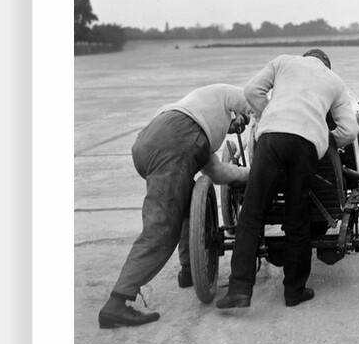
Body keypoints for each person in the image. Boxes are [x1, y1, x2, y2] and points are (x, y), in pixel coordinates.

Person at [98, 84, 253, 329]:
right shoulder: (223, 95)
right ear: (234, 111)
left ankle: (189, 271)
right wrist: (251, 116)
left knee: (187, 200)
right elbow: (253, 99)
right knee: (161, 228)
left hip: (151, 140)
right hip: (176, 140)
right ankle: (116, 302)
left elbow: (218, 173)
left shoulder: (201, 120)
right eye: (237, 121)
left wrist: (250, 173)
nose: (237, 126)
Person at [216, 50, 358, 310]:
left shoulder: (283, 62)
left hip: (271, 139)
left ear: (303, 57)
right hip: (305, 147)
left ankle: (239, 289)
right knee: (297, 216)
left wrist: (270, 113)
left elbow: (251, 91)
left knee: (252, 213)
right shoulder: (334, 81)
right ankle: (294, 291)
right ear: (326, 65)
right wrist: (322, 138)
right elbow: (349, 131)